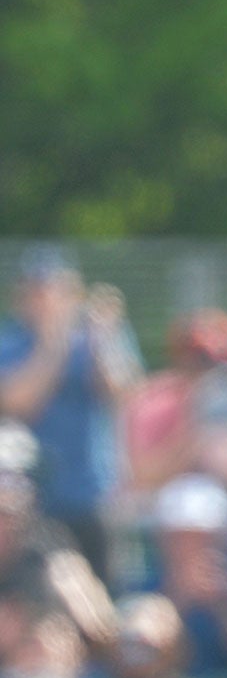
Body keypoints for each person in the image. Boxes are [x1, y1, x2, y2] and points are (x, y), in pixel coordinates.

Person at [0, 247, 139, 578]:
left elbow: (124, 391)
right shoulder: (9, 342)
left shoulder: (97, 337)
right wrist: (53, 341)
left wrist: (103, 336)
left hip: (92, 493)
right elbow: (18, 403)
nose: (45, 300)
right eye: (36, 292)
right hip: (31, 501)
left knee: (105, 594)